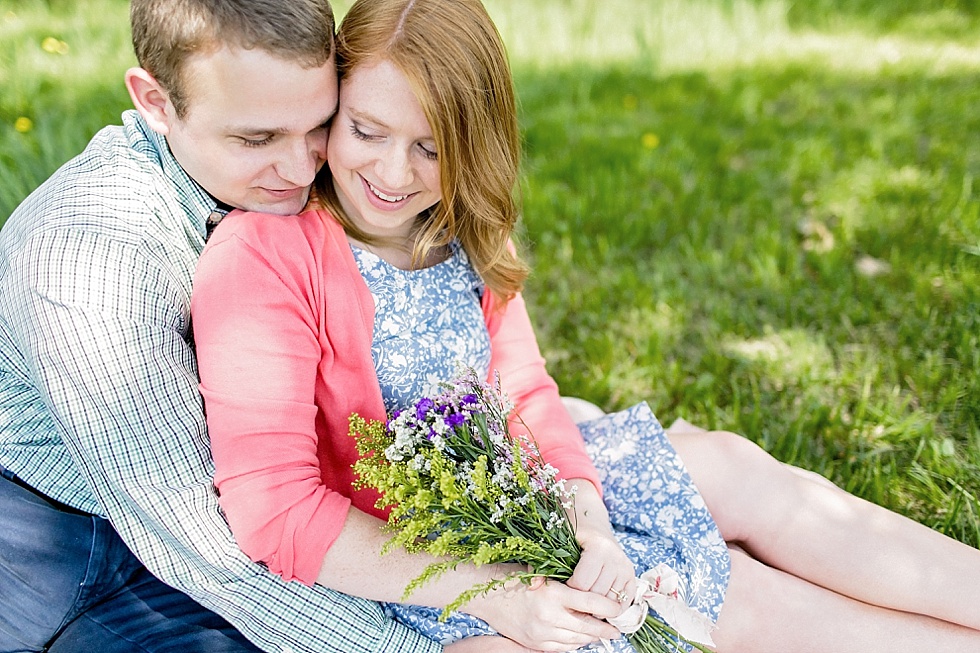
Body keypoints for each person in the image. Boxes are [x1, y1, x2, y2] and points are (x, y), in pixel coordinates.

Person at [192, 0, 980, 651]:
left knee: (734, 468)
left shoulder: (462, 230)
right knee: (741, 599)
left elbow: (527, 391)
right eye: (366, 131)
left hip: (535, 494)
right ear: (331, 105)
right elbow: (276, 509)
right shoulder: (267, 255)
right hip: (423, 565)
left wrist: (588, 519)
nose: (395, 175)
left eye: (433, 147)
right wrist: (502, 589)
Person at [0, 1, 444, 652]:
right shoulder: (86, 267)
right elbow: (202, 547)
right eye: (256, 139)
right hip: (72, 557)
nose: (301, 170)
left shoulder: (276, 180)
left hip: (253, 491)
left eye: (319, 125)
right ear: (155, 101)